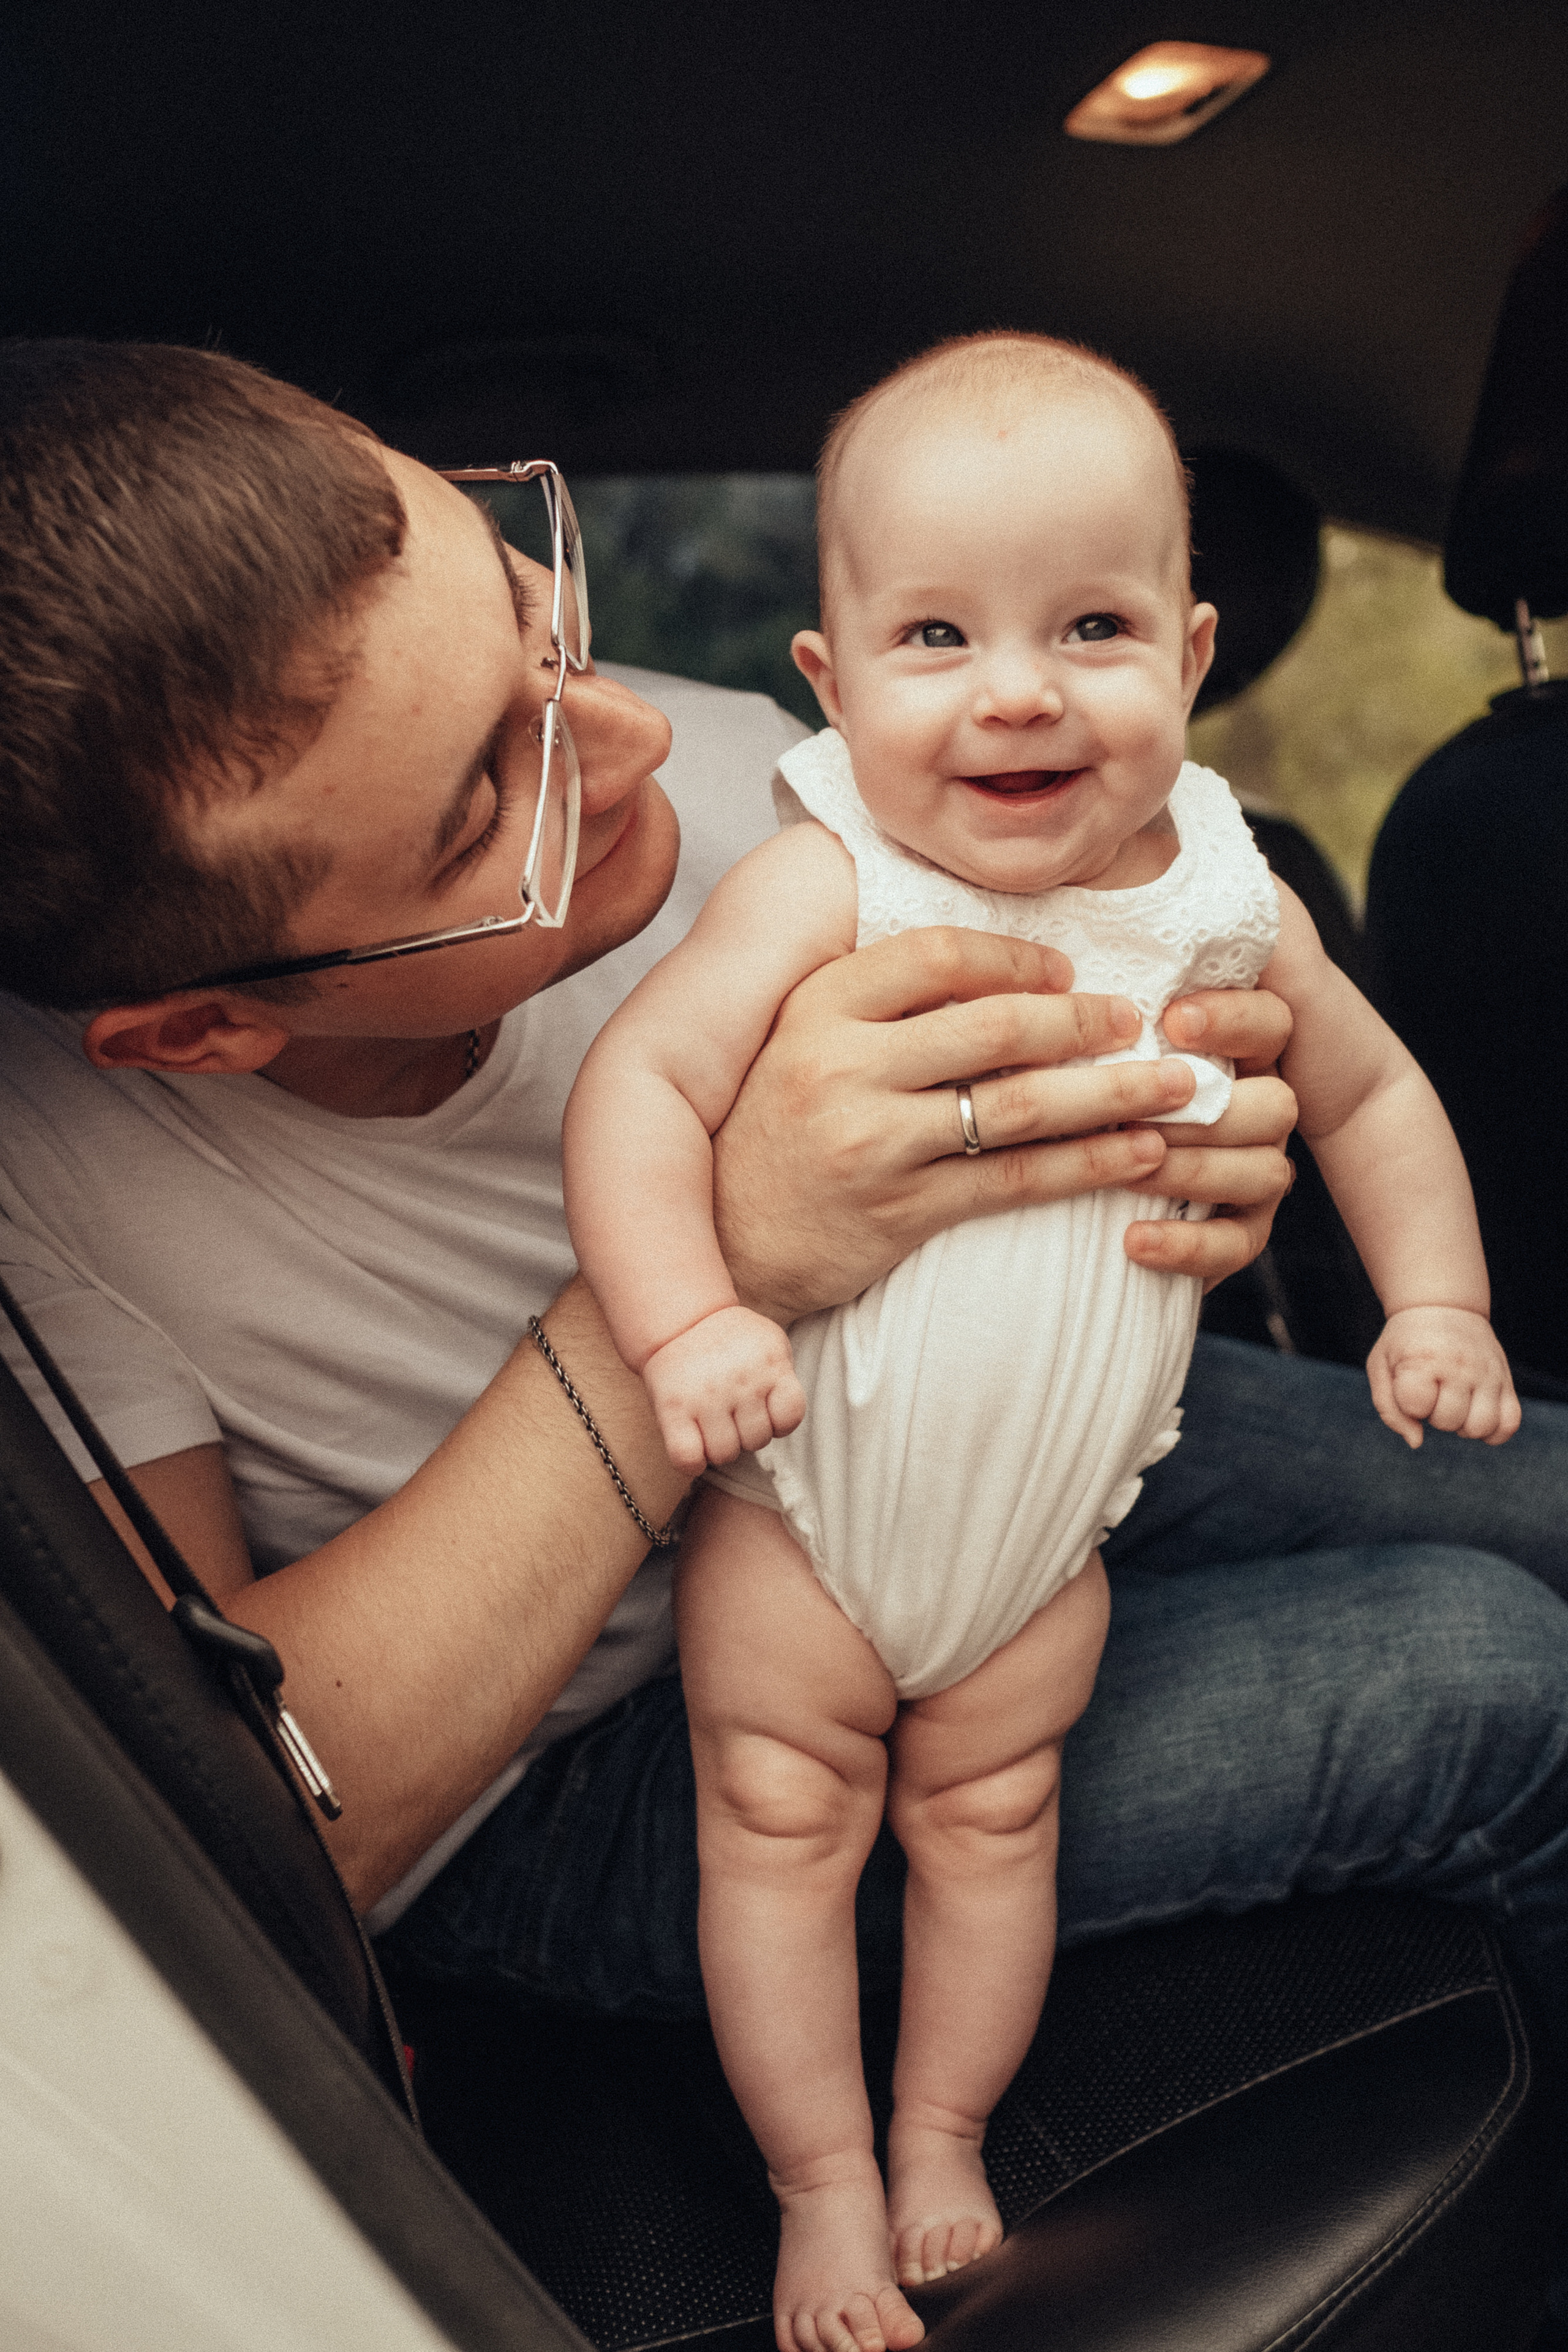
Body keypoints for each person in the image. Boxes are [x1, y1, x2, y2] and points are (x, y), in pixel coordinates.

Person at [2, 340, 1567, 2352]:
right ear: (204, 1028)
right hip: (597, 1739)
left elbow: (1192, 1072)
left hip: (1016, 1439)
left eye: (541, 627)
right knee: (1492, 1672)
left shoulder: (757, 760)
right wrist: (736, 1246)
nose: (638, 746)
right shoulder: (48, 1206)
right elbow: (259, 1819)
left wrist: (1203, 1150)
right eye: (497, 799)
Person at [562, 334, 1520, 2352]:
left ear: (1188, 656)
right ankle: (818, 2189)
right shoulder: (829, 873)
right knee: (787, 1839)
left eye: (1088, 625)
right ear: (829, 683)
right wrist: (687, 1323)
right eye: (935, 634)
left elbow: (1371, 1100)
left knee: (997, 1832)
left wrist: (1435, 1301)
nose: (1015, 687)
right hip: (803, 1525)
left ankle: (936, 2135)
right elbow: (643, 1096)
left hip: (1041, 1555)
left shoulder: (1234, 897)